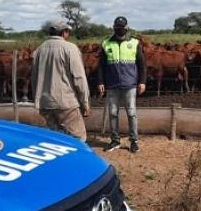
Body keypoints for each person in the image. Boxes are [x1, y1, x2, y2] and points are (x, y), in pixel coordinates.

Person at [30, 20, 91, 142]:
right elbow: (79, 78)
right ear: (64, 32)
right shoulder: (70, 48)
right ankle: (74, 160)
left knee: (56, 137)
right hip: (66, 102)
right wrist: (85, 102)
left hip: (45, 102)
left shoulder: (39, 50)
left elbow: (34, 78)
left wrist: (37, 100)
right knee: (78, 137)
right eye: (68, 32)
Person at [97, 16, 147, 153]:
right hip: (112, 84)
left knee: (131, 113)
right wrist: (101, 81)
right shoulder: (106, 43)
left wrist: (142, 81)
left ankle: (134, 141)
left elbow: (142, 65)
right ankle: (115, 140)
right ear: (114, 28)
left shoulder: (135, 43)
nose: (120, 29)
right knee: (113, 113)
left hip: (130, 84)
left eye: (122, 27)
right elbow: (101, 65)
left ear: (127, 28)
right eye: (117, 27)